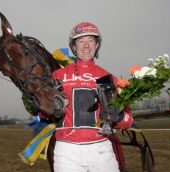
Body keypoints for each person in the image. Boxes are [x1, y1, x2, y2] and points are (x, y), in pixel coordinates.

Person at [41, 22, 133, 172]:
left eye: (91, 40)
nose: (86, 45)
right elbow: (44, 115)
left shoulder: (109, 78)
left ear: (97, 45)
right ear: (74, 46)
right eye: (81, 41)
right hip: (67, 151)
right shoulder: (57, 77)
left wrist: (120, 116)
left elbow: (128, 120)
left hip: (101, 149)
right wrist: (41, 105)